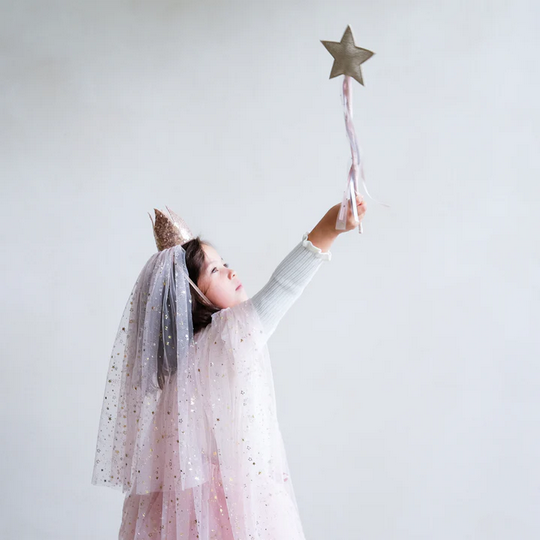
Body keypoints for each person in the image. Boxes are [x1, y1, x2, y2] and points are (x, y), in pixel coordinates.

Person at [92, 194, 366, 539]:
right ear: (190, 295)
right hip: (236, 508)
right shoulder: (229, 335)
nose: (231, 271)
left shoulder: (178, 363)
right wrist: (329, 228)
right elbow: (284, 287)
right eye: (215, 270)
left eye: (224, 263)